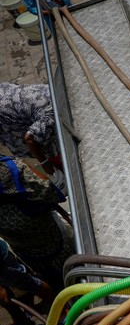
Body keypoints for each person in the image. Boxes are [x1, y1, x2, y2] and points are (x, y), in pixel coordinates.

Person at [0, 155, 72, 289]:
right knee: (70, 268)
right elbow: (50, 192)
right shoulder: (10, 169)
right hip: (48, 238)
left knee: (52, 276)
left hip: (23, 248)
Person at [0, 83, 61, 175]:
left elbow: (30, 137)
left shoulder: (51, 91)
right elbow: (29, 138)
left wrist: (43, 160)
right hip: (40, 143)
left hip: (54, 141)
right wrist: (43, 160)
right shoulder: (51, 117)